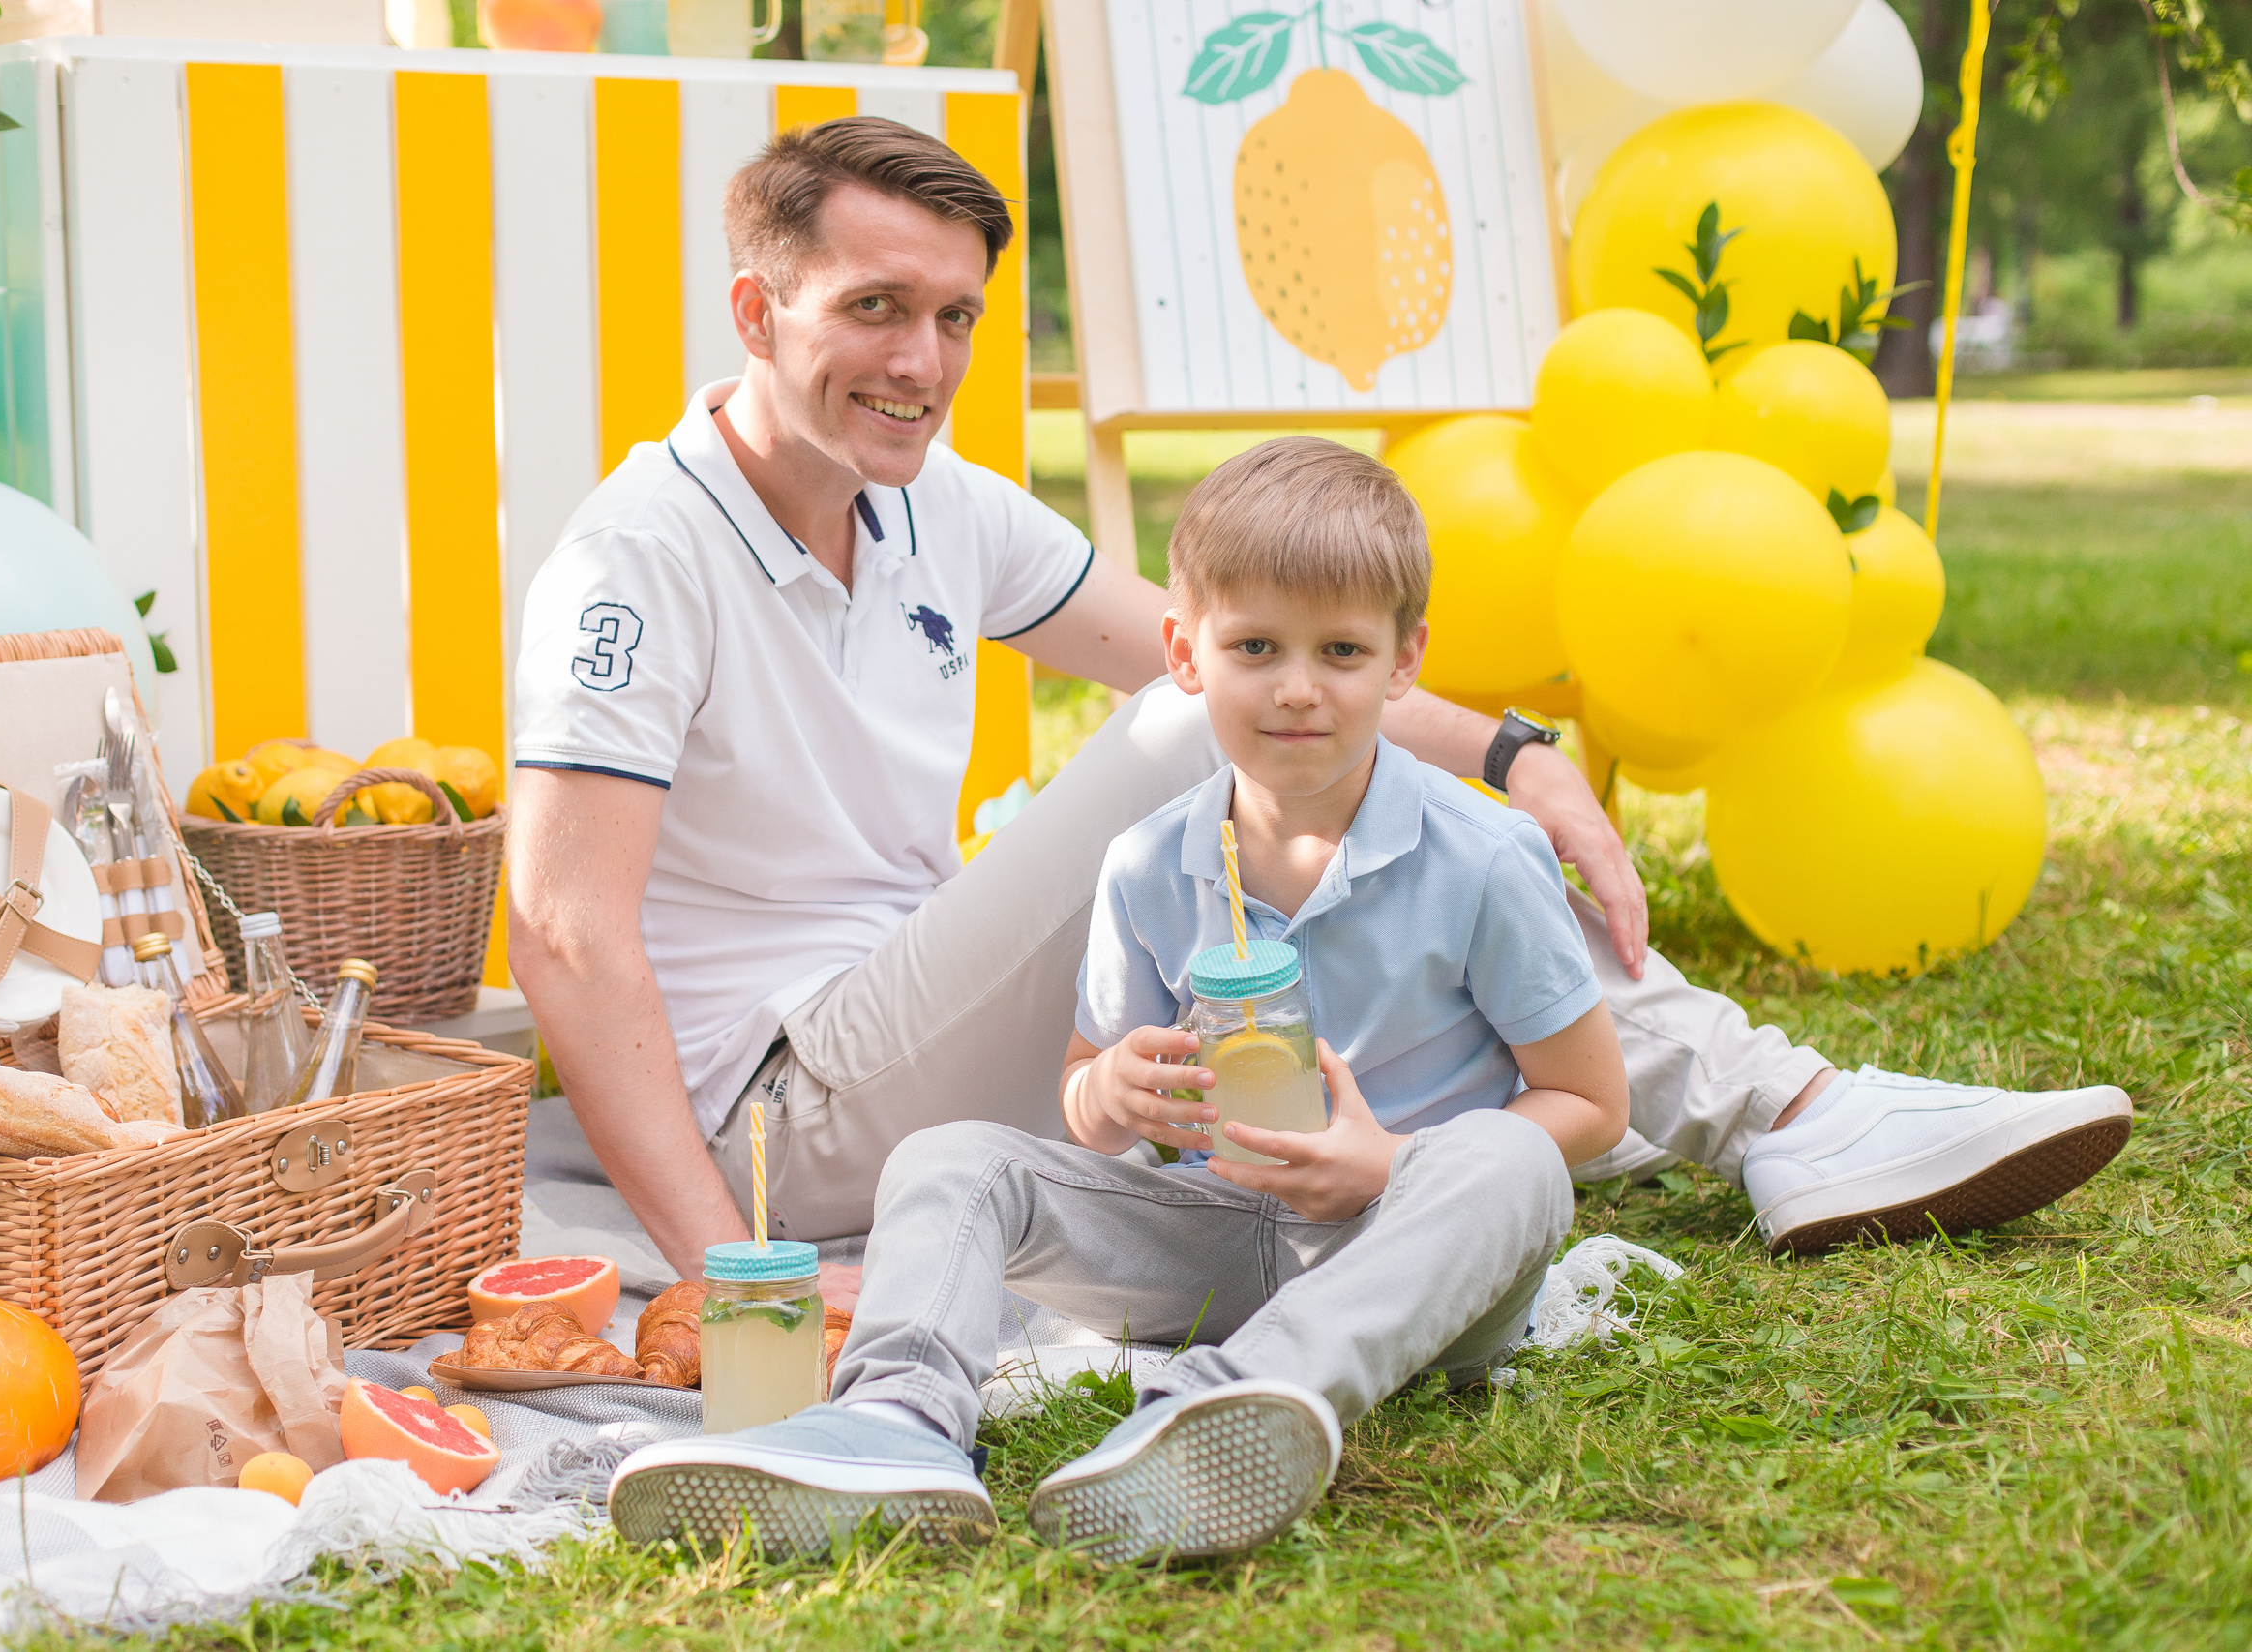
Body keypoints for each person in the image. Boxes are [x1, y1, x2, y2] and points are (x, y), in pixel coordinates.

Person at [506, 115, 2131, 1308]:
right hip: (789, 1116)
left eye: (955, 319)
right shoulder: (635, 560)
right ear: (757, 312)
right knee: (1186, 742)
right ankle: (1786, 1109)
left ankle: (1783, 1107)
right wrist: (726, 1269)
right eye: (873, 307)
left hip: (958, 1042)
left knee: (1322, 841)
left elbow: (1246, 657)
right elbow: (566, 936)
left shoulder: (939, 500)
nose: (921, 362)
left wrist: (1518, 757)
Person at [606, 438, 1628, 1558]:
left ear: (1402, 661)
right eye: (1254, 647)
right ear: (1184, 654)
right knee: (949, 1159)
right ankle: (894, 1424)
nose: (1296, 687)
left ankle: (1236, 1406)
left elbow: (1590, 1103)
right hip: (1213, 1238)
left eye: (1340, 650)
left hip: (1411, 1259)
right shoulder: (1148, 863)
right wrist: (1111, 1096)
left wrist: (1387, 1167)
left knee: (1513, 1159)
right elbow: (1081, 1094)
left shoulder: (1481, 855)